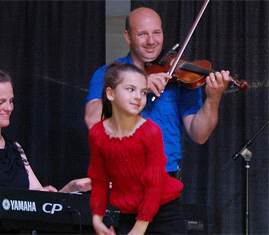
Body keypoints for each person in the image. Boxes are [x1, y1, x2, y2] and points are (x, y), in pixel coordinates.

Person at [85, 7, 231, 176]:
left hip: (166, 175)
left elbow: (199, 135)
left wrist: (213, 99)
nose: (151, 41)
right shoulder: (108, 74)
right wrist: (139, 87)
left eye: (156, 33)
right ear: (128, 37)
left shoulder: (180, 77)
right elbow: (92, 120)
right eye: (142, 34)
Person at [0, 64, 91, 192]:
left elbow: (37, 200)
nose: (8, 108)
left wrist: (71, 188)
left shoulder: (14, 148)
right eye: (0, 102)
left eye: (11, 101)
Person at [87, 62, 186, 235]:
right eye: (131, 89)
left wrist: (139, 229)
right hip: (129, 215)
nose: (139, 97)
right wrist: (97, 217)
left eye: (143, 91)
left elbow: (155, 185)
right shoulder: (98, 133)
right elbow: (99, 178)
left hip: (164, 214)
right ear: (110, 93)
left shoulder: (150, 131)